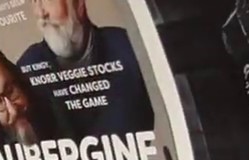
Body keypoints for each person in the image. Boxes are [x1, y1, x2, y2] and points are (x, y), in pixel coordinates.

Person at [17, 0, 155, 138]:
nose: (40, 13)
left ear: (79, 4)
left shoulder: (129, 48)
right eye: (34, 1)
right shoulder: (27, 68)